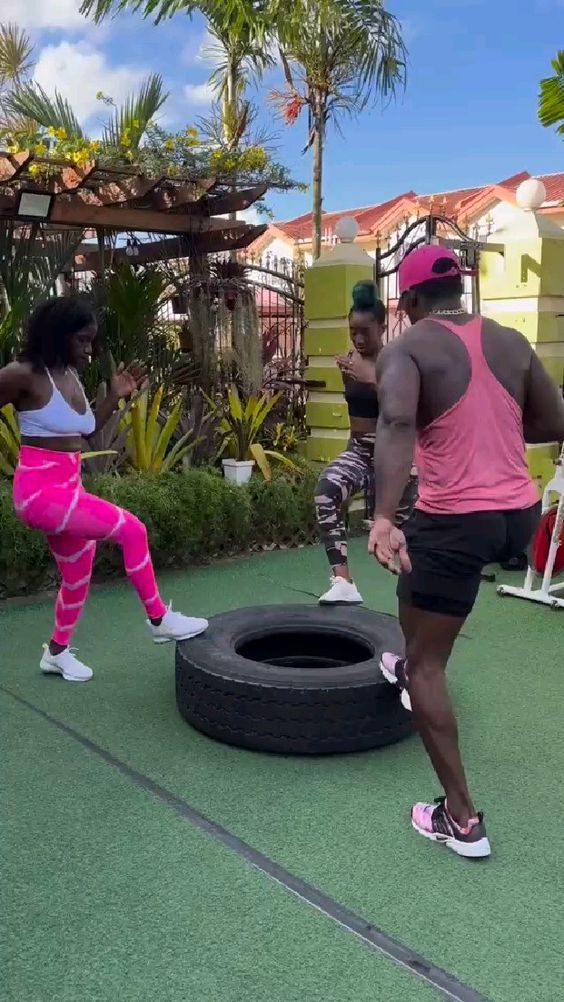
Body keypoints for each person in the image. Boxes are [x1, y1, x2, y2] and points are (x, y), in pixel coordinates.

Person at [369, 244, 564, 859]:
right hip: (517, 516)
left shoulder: (405, 348)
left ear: (407, 301)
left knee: (428, 663)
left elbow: (397, 425)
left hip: (456, 522)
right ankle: (407, 667)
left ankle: (460, 819)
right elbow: (552, 419)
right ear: (463, 289)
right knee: (415, 612)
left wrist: (380, 516)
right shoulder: (510, 339)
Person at [0, 296, 209, 684]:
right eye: (82, 340)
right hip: (39, 495)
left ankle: (57, 654)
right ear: (58, 335)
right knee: (132, 529)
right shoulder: (22, 374)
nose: (89, 349)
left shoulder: (70, 376)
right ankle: (159, 619)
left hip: (68, 490)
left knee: (78, 573)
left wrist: (114, 395)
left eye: (91, 340)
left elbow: (85, 431)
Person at [315, 281, 417, 604]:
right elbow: (355, 417)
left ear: (382, 326)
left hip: (395, 457)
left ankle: (423, 598)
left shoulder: (397, 360)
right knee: (326, 491)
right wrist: (349, 461)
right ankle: (343, 582)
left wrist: (369, 378)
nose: (358, 339)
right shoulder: (350, 363)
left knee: (406, 539)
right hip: (360, 452)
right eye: (353, 331)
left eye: (365, 331)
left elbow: (403, 407)